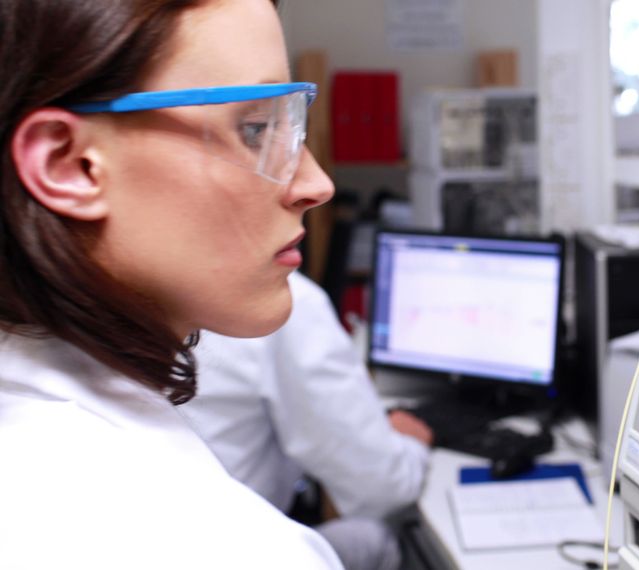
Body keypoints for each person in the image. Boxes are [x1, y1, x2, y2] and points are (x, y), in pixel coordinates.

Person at [0, 0, 343, 567]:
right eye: (255, 129)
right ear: (70, 164)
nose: (315, 183)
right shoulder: (234, 550)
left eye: (292, 125)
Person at [182, 272, 433, 570]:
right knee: (375, 538)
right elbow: (382, 489)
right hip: (236, 554)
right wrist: (412, 445)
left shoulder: (136, 293)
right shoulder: (281, 300)